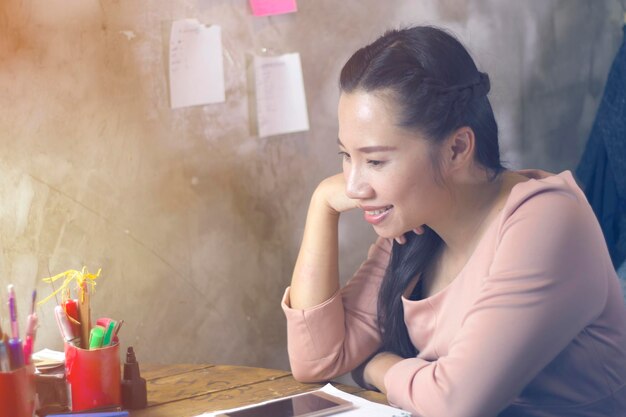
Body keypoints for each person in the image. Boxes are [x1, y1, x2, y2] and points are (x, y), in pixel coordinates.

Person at [281, 26, 626, 417]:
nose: (355, 185)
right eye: (347, 156)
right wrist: (321, 205)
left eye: (375, 160)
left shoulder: (546, 221)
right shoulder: (417, 225)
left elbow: (454, 403)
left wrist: (375, 365)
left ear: (457, 148)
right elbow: (317, 360)